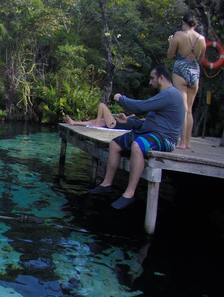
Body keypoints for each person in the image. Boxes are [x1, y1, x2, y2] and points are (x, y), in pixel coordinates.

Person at [88, 65, 184, 210]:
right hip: (151, 132)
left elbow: (141, 106)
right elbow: (147, 123)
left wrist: (122, 99)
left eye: (152, 78)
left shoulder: (171, 94)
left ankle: (129, 193)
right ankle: (106, 184)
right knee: (114, 144)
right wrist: (128, 121)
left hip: (165, 138)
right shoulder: (163, 97)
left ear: (161, 78)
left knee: (138, 145)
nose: (150, 82)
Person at [167, 13, 205, 149]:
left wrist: (171, 43)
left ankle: (182, 142)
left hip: (180, 70)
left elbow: (170, 55)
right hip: (195, 71)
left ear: (184, 23)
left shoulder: (178, 35)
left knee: (182, 108)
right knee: (189, 110)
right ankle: (187, 142)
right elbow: (200, 60)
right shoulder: (202, 39)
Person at [65, 103, 138, 130]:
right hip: (116, 123)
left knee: (102, 105)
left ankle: (96, 124)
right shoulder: (135, 121)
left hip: (115, 124)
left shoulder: (137, 124)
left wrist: (128, 117)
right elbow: (126, 120)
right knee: (93, 122)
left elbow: (127, 123)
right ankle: (74, 122)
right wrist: (128, 116)